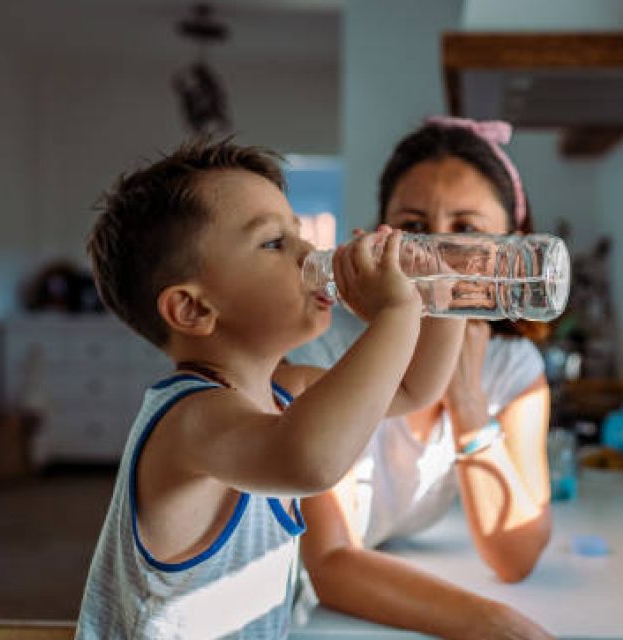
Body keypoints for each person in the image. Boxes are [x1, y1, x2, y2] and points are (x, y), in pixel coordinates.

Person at [75, 137, 465, 638]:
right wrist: (395, 315)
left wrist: (445, 292)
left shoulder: (285, 388)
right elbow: (310, 462)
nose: (309, 252)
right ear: (194, 309)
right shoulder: (189, 420)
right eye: (274, 243)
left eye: (297, 231)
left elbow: (413, 390)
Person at [285, 118, 555, 639]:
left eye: (467, 231)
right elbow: (330, 562)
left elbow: (514, 555)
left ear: (514, 249)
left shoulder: (512, 367)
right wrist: (493, 624)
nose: (438, 255)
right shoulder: (320, 350)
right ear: (380, 233)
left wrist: (467, 400)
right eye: (413, 226)